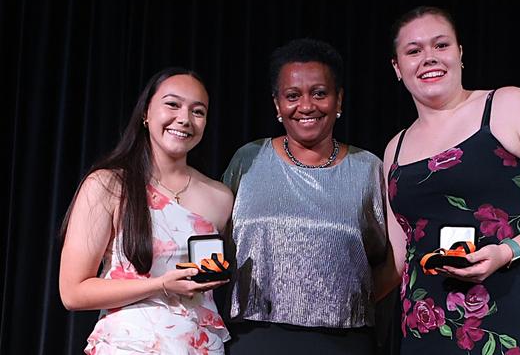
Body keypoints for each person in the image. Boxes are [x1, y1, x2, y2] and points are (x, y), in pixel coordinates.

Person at [383, 6, 520, 354]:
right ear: (397, 67)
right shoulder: (395, 148)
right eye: (413, 51)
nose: (429, 58)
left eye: (441, 45)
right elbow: (398, 255)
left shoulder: (506, 106)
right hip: (427, 327)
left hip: (512, 311)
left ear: (460, 54)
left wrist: (506, 251)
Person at [221, 38, 387, 354]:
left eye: (320, 93)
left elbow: (391, 260)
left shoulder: (368, 169)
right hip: (253, 339)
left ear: (339, 101)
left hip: (343, 341)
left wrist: (346, 302)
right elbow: (213, 239)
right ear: (277, 104)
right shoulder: (248, 160)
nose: (307, 106)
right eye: (293, 95)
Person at [59, 67, 233, 354]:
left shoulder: (220, 197)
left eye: (198, 111)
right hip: (129, 344)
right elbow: (73, 293)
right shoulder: (109, 184)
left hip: (199, 345)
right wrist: (161, 285)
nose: (184, 119)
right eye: (172, 104)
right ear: (146, 114)